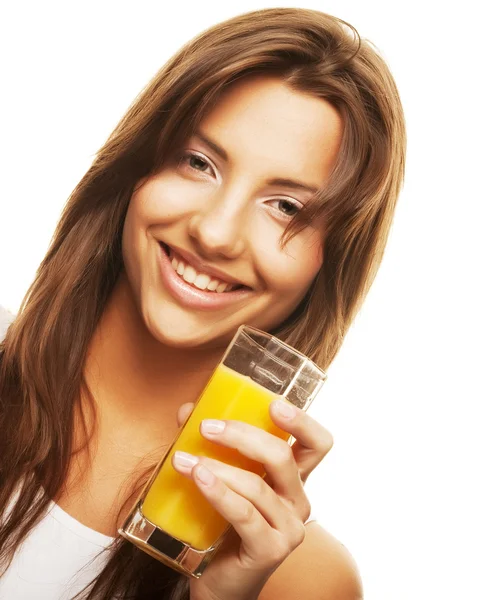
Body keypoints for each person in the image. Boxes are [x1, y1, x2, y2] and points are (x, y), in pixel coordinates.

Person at [0, 6, 406, 600]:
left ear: (330, 262)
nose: (215, 233)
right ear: (135, 172)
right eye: (199, 163)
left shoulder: (303, 580)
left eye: (286, 207)